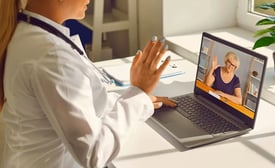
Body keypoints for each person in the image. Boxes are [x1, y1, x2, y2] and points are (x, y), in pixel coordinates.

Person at [0, 0, 177, 167]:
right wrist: (138, 91)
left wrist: (139, 102)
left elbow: (75, 101)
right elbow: (94, 153)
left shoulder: (27, 31)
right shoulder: (52, 56)